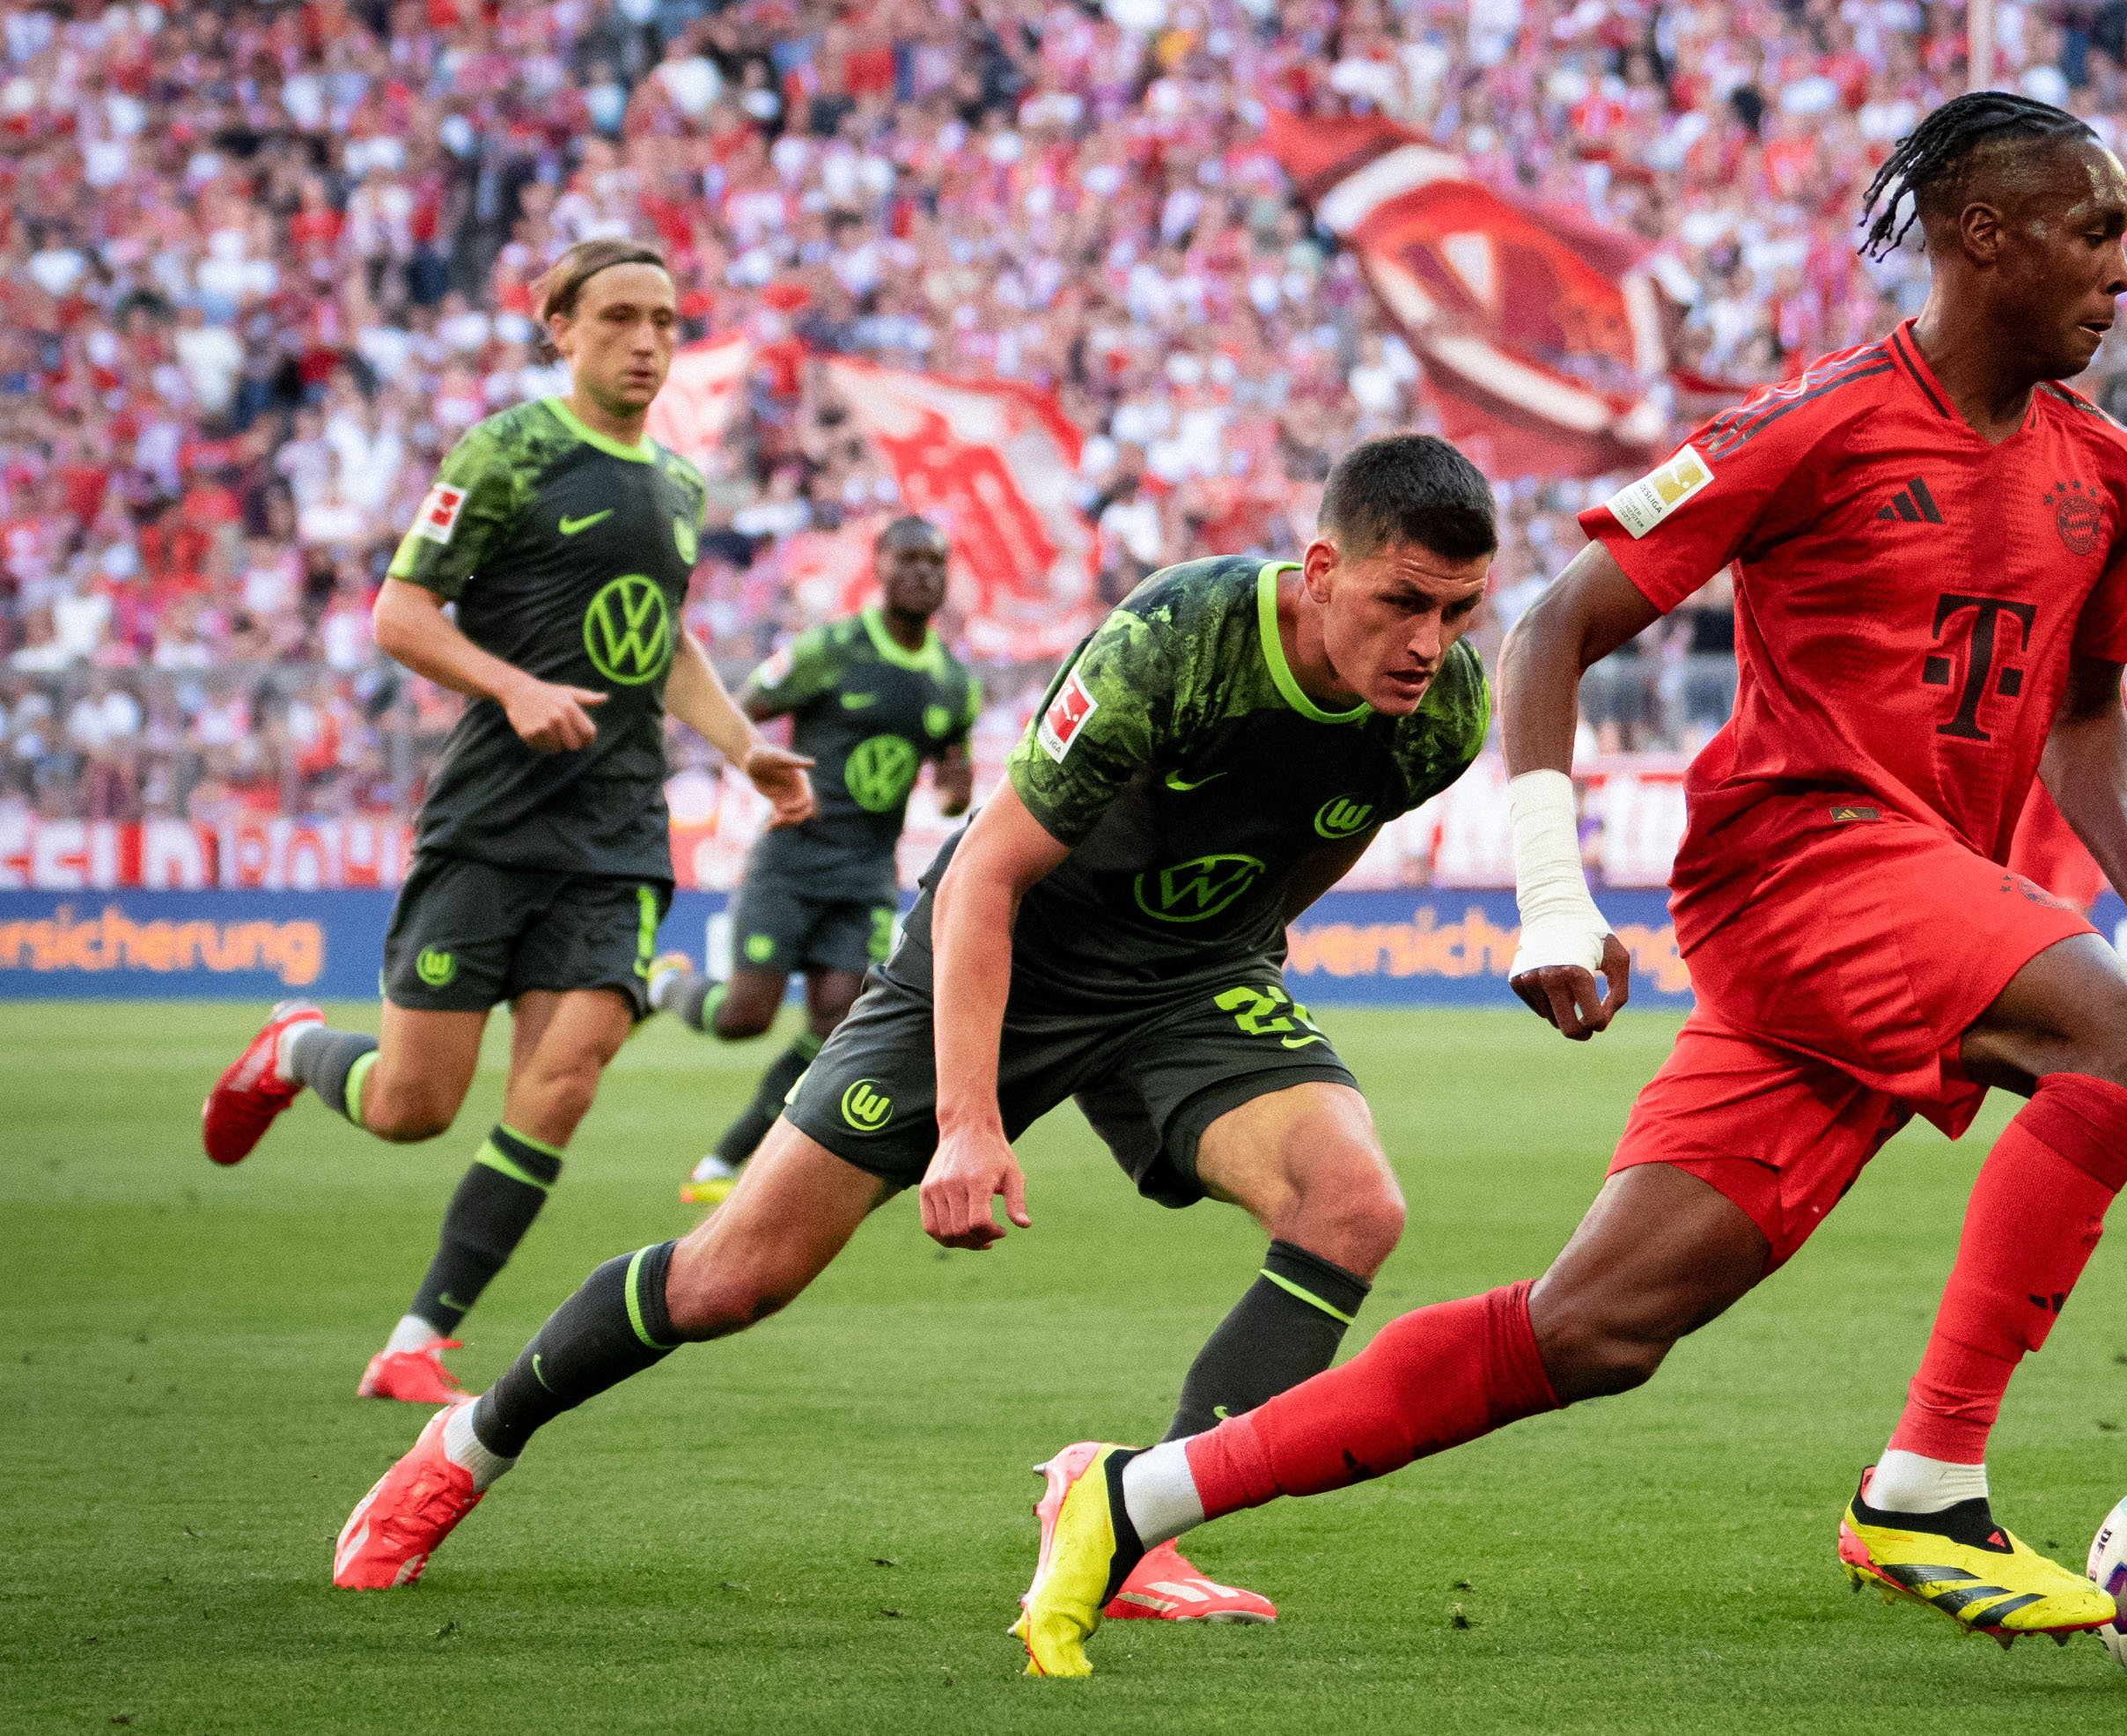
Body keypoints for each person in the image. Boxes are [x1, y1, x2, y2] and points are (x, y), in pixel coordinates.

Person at [1012, 92, 2127, 1678]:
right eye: (2097, 233)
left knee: (1588, 1328)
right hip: (1800, 862)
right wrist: (1552, 891)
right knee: (2126, 1042)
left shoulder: (2111, 471)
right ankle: (1929, 1484)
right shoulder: (1813, 419)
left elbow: (2086, 711)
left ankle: (1132, 1495)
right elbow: (1549, 624)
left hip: (1907, 909)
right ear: (1982, 236)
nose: (2125, 273)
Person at [324, 434, 1499, 1632]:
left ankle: (1127, 1521)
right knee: (735, 1277)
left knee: (1352, 1207)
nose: (1427, 642)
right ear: (1317, 571)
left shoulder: (1443, 709)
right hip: (1010, 944)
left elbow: (1341, 819)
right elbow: (985, 876)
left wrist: (1231, 952)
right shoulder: (1176, 641)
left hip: (1185, 976)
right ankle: (466, 1444)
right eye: (1400, 602)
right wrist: (967, 1125)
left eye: (1460, 610)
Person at [199, 239, 815, 1404]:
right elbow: (399, 613)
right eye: (620, 318)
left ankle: (418, 1339)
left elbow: (664, 638)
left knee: (567, 1074)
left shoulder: (677, 486)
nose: (646, 341)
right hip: (490, 821)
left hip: (617, 833)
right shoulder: (511, 451)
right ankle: (291, 1048)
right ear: (559, 329)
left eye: (665, 321)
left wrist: (743, 749)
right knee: (412, 1107)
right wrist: (513, 686)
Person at [648, 515, 980, 1205]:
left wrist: (956, 791)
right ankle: (665, 987)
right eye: (909, 559)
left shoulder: (954, 683)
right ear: (880, 566)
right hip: (793, 859)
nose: (923, 573)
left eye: (935, 562)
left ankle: (726, 1160)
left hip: (865, 874)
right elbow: (739, 713)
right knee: (746, 1015)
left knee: (837, 1023)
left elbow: (953, 781)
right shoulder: (832, 649)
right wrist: (762, 767)